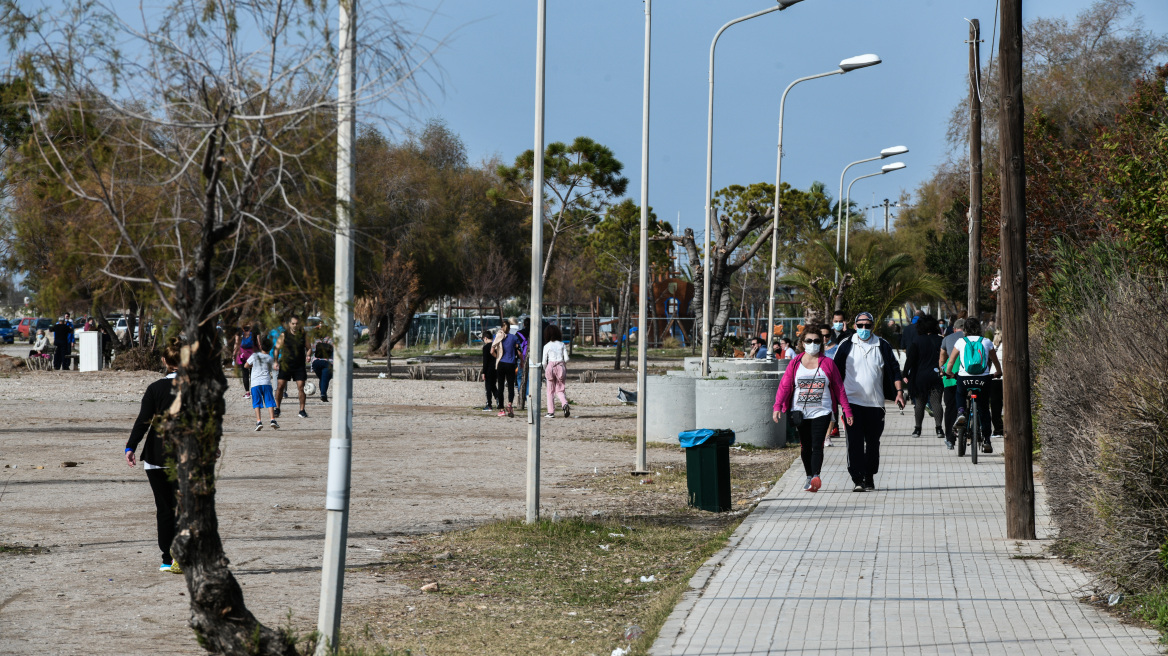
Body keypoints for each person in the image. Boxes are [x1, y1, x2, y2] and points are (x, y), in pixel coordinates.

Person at [124, 339, 183, 573]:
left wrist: (131, 447)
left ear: (164, 362)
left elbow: (143, 422)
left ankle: (167, 558)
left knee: (165, 508)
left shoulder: (155, 388)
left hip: (156, 455)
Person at [773, 324, 853, 492]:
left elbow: (839, 388)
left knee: (817, 445)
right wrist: (778, 406)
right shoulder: (795, 363)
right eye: (809, 340)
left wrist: (846, 409)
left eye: (816, 341)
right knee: (805, 446)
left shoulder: (828, 363)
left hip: (822, 411)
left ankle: (815, 476)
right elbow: (785, 386)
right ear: (802, 342)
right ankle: (809, 475)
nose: (813, 343)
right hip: (800, 412)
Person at [833, 311, 904, 491]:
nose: (864, 329)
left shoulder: (882, 345)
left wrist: (899, 392)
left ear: (872, 326)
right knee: (854, 442)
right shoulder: (846, 345)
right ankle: (857, 479)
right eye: (860, 325)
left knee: (873, 443)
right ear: (855, 326)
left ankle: (869, 475)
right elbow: (834, 372)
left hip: (875, 404)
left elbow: (895, 370)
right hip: (852, 403)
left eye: (868, 325)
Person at [943, 316, 1002, 454]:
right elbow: (995, 361)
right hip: (983, 380)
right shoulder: (986, 342)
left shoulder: (960, 342)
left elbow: (950, 362)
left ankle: (962, 411)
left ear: (965, 330)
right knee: (984, 410)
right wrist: (998, 372)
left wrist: (948, 373)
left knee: (960, 392)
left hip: (964, 378)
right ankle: (987, 440)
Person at [901, 314, 944, 439]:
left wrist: (905, 373)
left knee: (919, 403)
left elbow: (911, 359)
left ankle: (917, 429)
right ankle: (939, 429)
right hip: (935, 376)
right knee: (936, 402)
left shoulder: (917, 341)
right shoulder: (940, 340)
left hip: (919, 377)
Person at [937, 318, 966, 449]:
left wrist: (942, 371)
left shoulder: (947, 339)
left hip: (951, 376)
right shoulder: (974, 338)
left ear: (954, 329)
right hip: (969, 376)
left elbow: (942, 358)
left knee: (950, 407)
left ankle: (950, 438)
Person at [275, 316, 309, 419]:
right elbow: (276, 348)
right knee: (280, 386)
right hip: (286, 364)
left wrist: (308, 355)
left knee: (301, 387)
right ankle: (277, 408)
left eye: (296, 324)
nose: (295, 326)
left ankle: (302, 410)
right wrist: (276, 361)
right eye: (293, 323)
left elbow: (309, 348)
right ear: (289, 324)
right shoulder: (284, 335)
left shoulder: (304, 335)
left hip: (299, 365)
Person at [246, 336, 279, 430]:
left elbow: (246, 365)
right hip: (266, 382)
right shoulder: (269, 358)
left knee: (256, 403)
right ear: (270, 348)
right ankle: (272, 419)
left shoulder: (255, 356)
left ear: (261, 347)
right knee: (269, 402)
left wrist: (252, 366)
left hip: (255, 383)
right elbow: (274, 368)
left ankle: (259, 421)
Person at [493, 318, 521, 418]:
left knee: (500, 387)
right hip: (511, 364)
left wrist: (498, 357)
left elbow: (492, 351)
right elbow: (518, 349)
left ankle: (501, 409)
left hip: (501, 363)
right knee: (510, 386)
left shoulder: (498, 337)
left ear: (502, 327)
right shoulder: (514, 338)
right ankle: (509, 404)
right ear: (509, 329)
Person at [542, 324, 571, 418]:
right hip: (560, 366)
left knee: (550, 391)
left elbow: (543, 361)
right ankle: (565, 403)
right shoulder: (562, 344)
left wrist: (545, 369)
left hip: (550, 366)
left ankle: (550, 412)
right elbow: (566, 359)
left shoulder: (547, 346)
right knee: (560, 389)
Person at [232, 324, 257, 398]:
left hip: (243, 354)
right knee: (253, 373)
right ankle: (254, 391)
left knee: (245, 373)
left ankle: (247, 393)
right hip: (252, 354)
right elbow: (258, 343)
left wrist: (234, 354)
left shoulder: (239, 332)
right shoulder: (254, 332)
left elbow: (236, 344)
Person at [310, 330, 334, 403]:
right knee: (325, 376)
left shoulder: (314, 340)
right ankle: (323, 394)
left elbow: (311, 349)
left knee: (323, 377)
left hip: (316, 362)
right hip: (328, 362)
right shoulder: (331, 339)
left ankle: (323, 394)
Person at [481, 330, 499, 412]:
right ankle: (498, 399)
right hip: (496, 368)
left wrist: (483, 372)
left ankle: (489, 404)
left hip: (488, 369)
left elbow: (485, 361)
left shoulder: (486, 348)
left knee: (488, 387)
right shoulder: (496, 346)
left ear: (485, 338)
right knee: (493, 386)